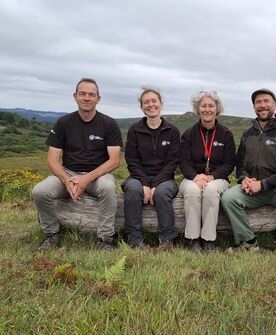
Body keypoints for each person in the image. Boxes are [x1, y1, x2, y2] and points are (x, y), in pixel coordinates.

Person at [32, 78, 122, 251]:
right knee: (40, 191)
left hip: (98, 175)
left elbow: (114, 161)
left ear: (98, 98)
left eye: (91, 94)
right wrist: (67, 180)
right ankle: (52, 234)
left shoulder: (109, 124)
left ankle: (105, 239)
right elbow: (52, 158)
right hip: (68, 173)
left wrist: (85, 179)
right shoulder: (63, 123)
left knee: (108, 188)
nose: (87, 98)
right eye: (83, 94)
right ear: (75, 96)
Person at [221, 88, 276, 257]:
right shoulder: (248, 133)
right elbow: (240, 163)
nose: (262, 105)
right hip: (252, 189)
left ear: (275, 105)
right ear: (254, 108)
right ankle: (248, 243)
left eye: (266, 101)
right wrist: (243, 178)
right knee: (228, 197)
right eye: (258, 102)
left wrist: (264, 184)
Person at [122, 88, 180, 249]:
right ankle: (135, 241)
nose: (150, 105)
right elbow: (131, 160)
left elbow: (172, 162)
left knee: (161, 193)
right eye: (146, 102)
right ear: (142, 107)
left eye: (154, 101)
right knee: (133, 190)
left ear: (161, 104)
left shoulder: (172, 131)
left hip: (165, 179)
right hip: (138, 177)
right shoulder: (135, 130)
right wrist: (145, 183)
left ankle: (167, 241)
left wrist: (155, 185)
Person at [180, 91, 236, 252]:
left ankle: (208, 239)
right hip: (192, 177)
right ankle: (192, 239)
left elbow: (229, 163)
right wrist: (195, 177)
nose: (207, 109)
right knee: (191, 191)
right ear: (198, 109)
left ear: (217, 109)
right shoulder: (189, 134)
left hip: (218, 178)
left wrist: (212, 176)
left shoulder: (226, 134)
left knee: (211, 191)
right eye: (203, 106)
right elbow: (183, 162)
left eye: (211, 105)